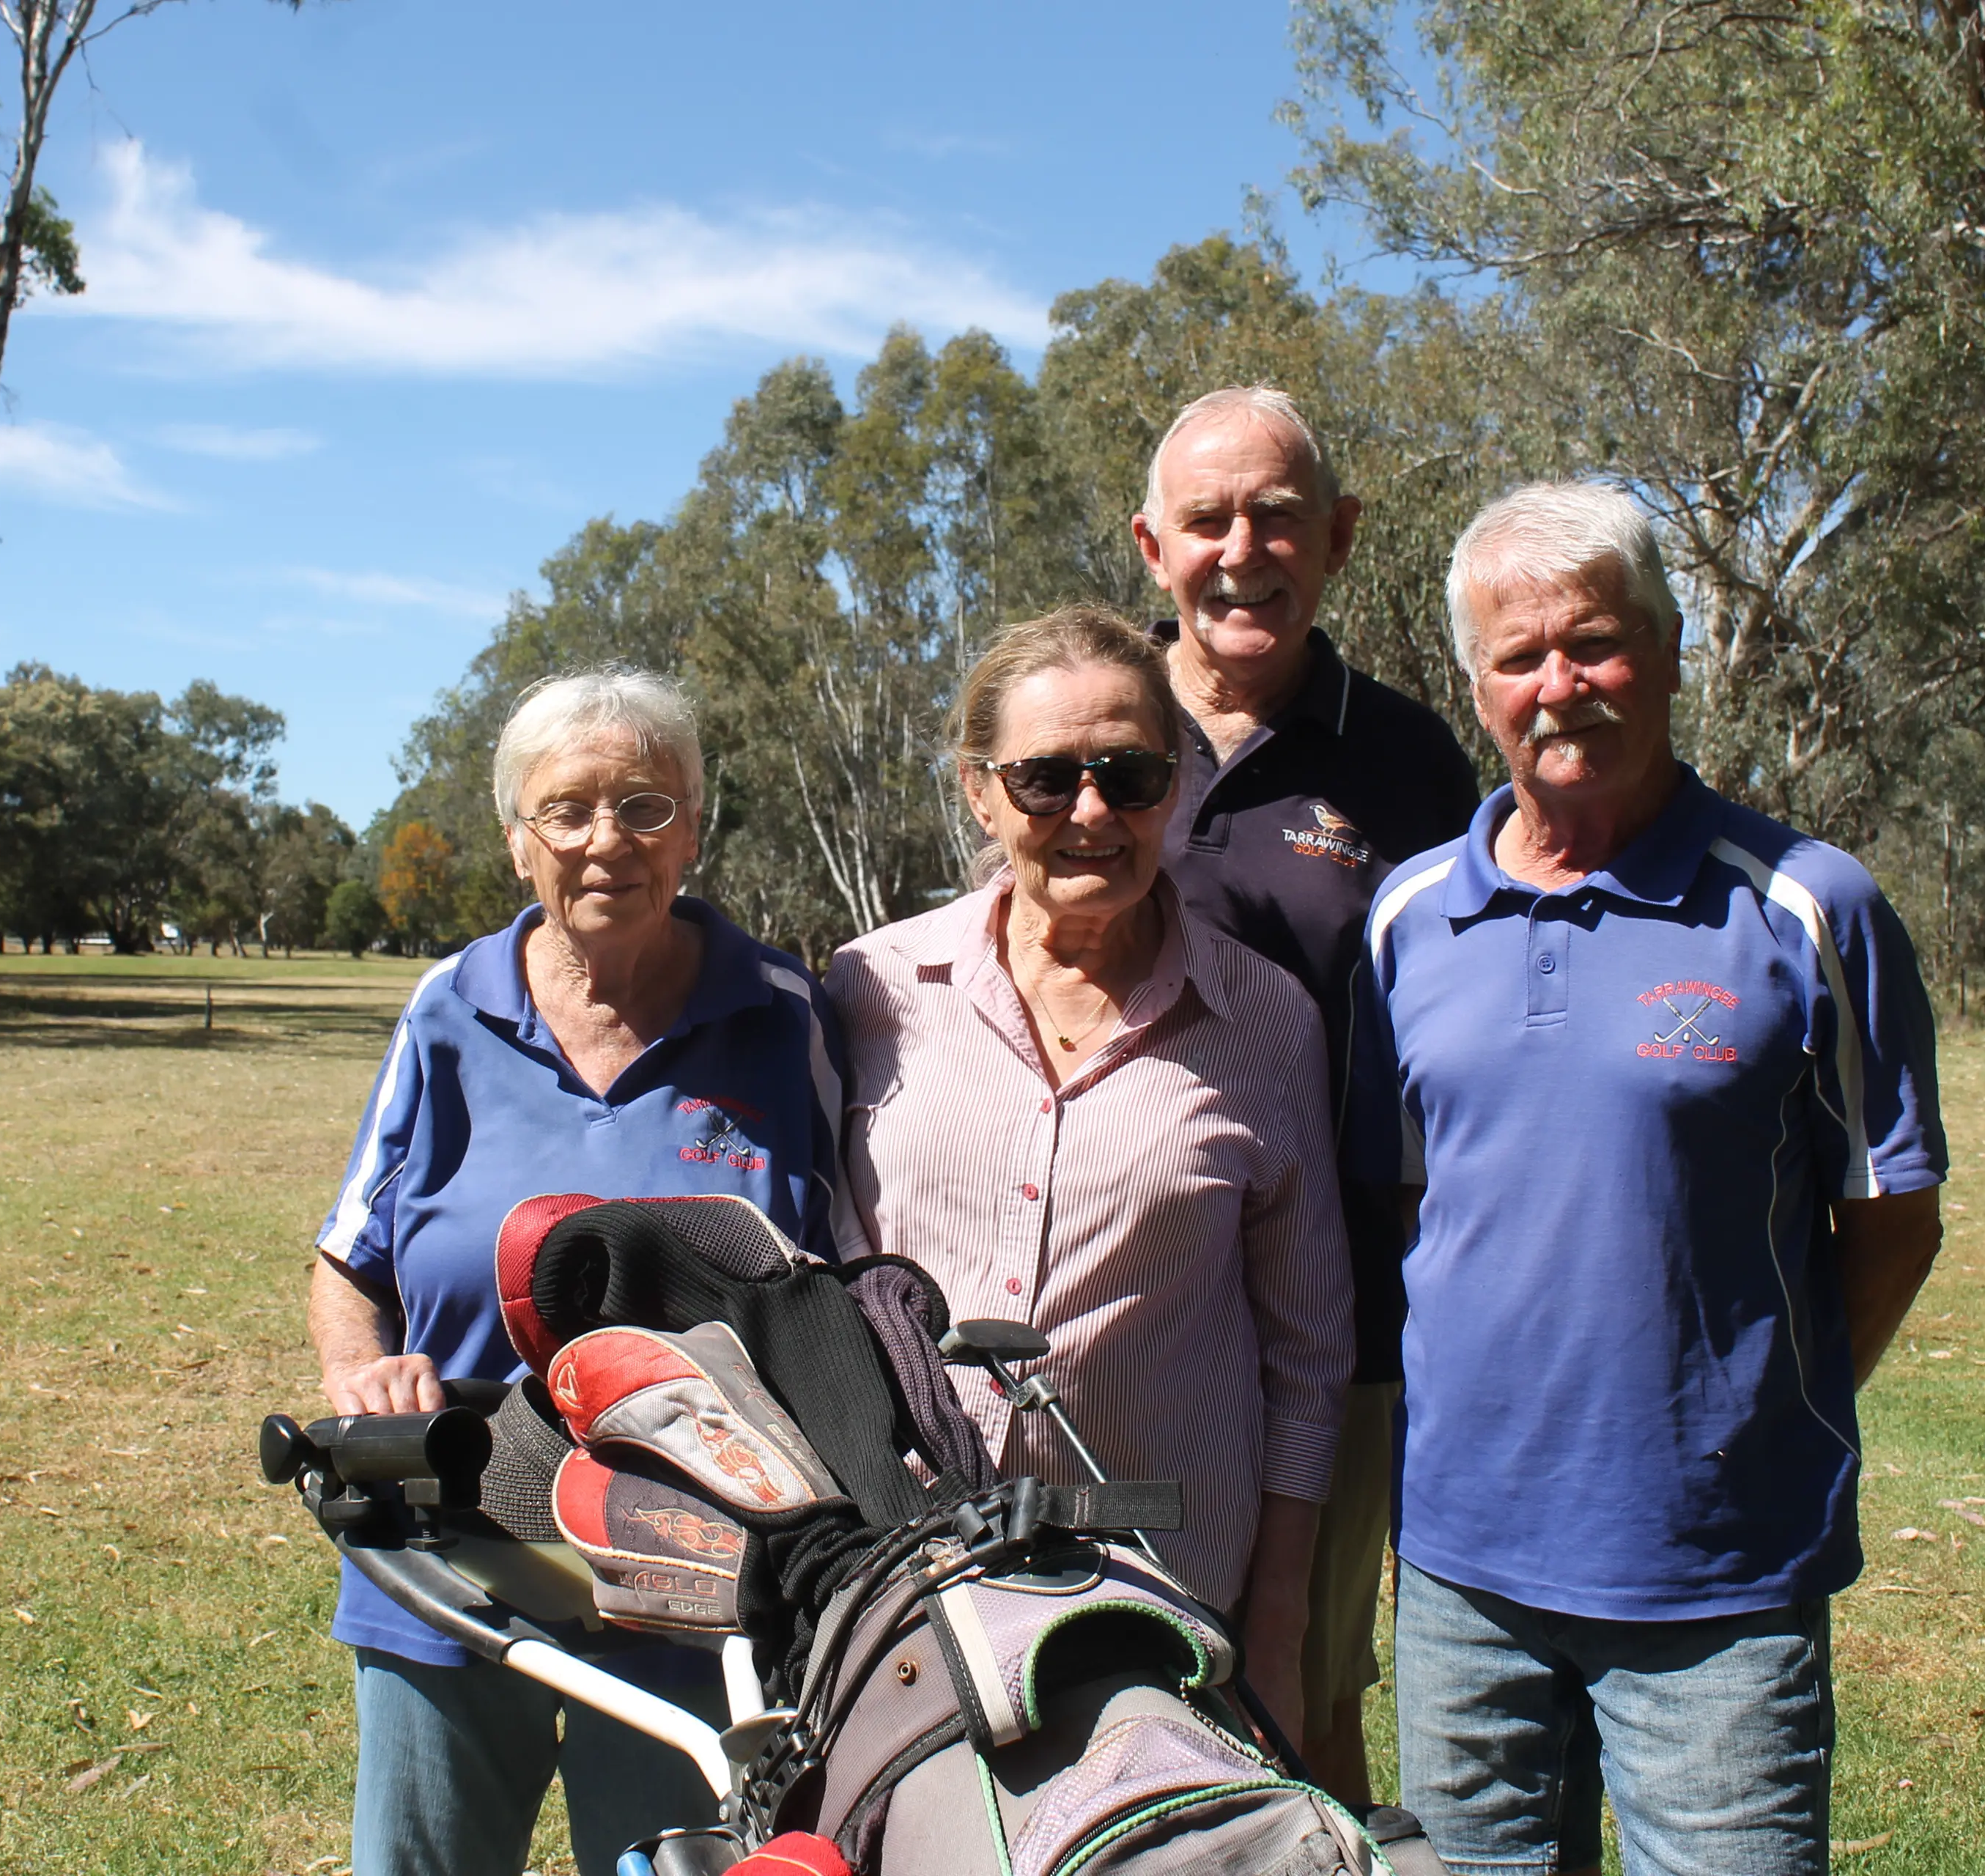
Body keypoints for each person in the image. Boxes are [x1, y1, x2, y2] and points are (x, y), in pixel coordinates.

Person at [1358, 484, 1947, 1876]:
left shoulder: (1810, 906)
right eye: (1519, 657)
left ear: (1672, 648)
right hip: (1460, 1572)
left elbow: (1893, 1223)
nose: (1560, 685)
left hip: (1718, 1585)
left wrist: (1733, 1425)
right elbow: (1410, 1210)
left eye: (1599, 644)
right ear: (1479, 685)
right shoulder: (1403, 921)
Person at [306, 669, 846, 1876]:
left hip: (704, 1574)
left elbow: (845, 1276)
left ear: (693, 830)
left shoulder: (786, 1017)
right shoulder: (448, 1009)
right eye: (569, 810)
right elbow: (350, 1254)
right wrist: (361, 1372)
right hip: (446, 1555)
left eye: (647, 807)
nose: (609, 842)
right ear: (517, 843)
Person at [824, 603, 1356, 1744]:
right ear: (979, 790)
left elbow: (1307, 1355)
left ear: (1175, 784)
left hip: (1167, 1602)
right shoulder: (870, 992)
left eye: (1130, 773)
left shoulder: (1264, 1019)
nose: (1094, 813)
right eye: (1046, 779)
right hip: (907, 1592)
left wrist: (1275, 1626)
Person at [1131, 384, 1482, 1802]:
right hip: (1109, 1306)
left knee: (1301, 1690)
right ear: (1153, 547)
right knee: (1103, 1680)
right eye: (1206, 519)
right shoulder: (1089, 727)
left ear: (1337, 538)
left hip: (1336, 1321)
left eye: (1276, 515)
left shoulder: (1409, 765)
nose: (1241, 548)